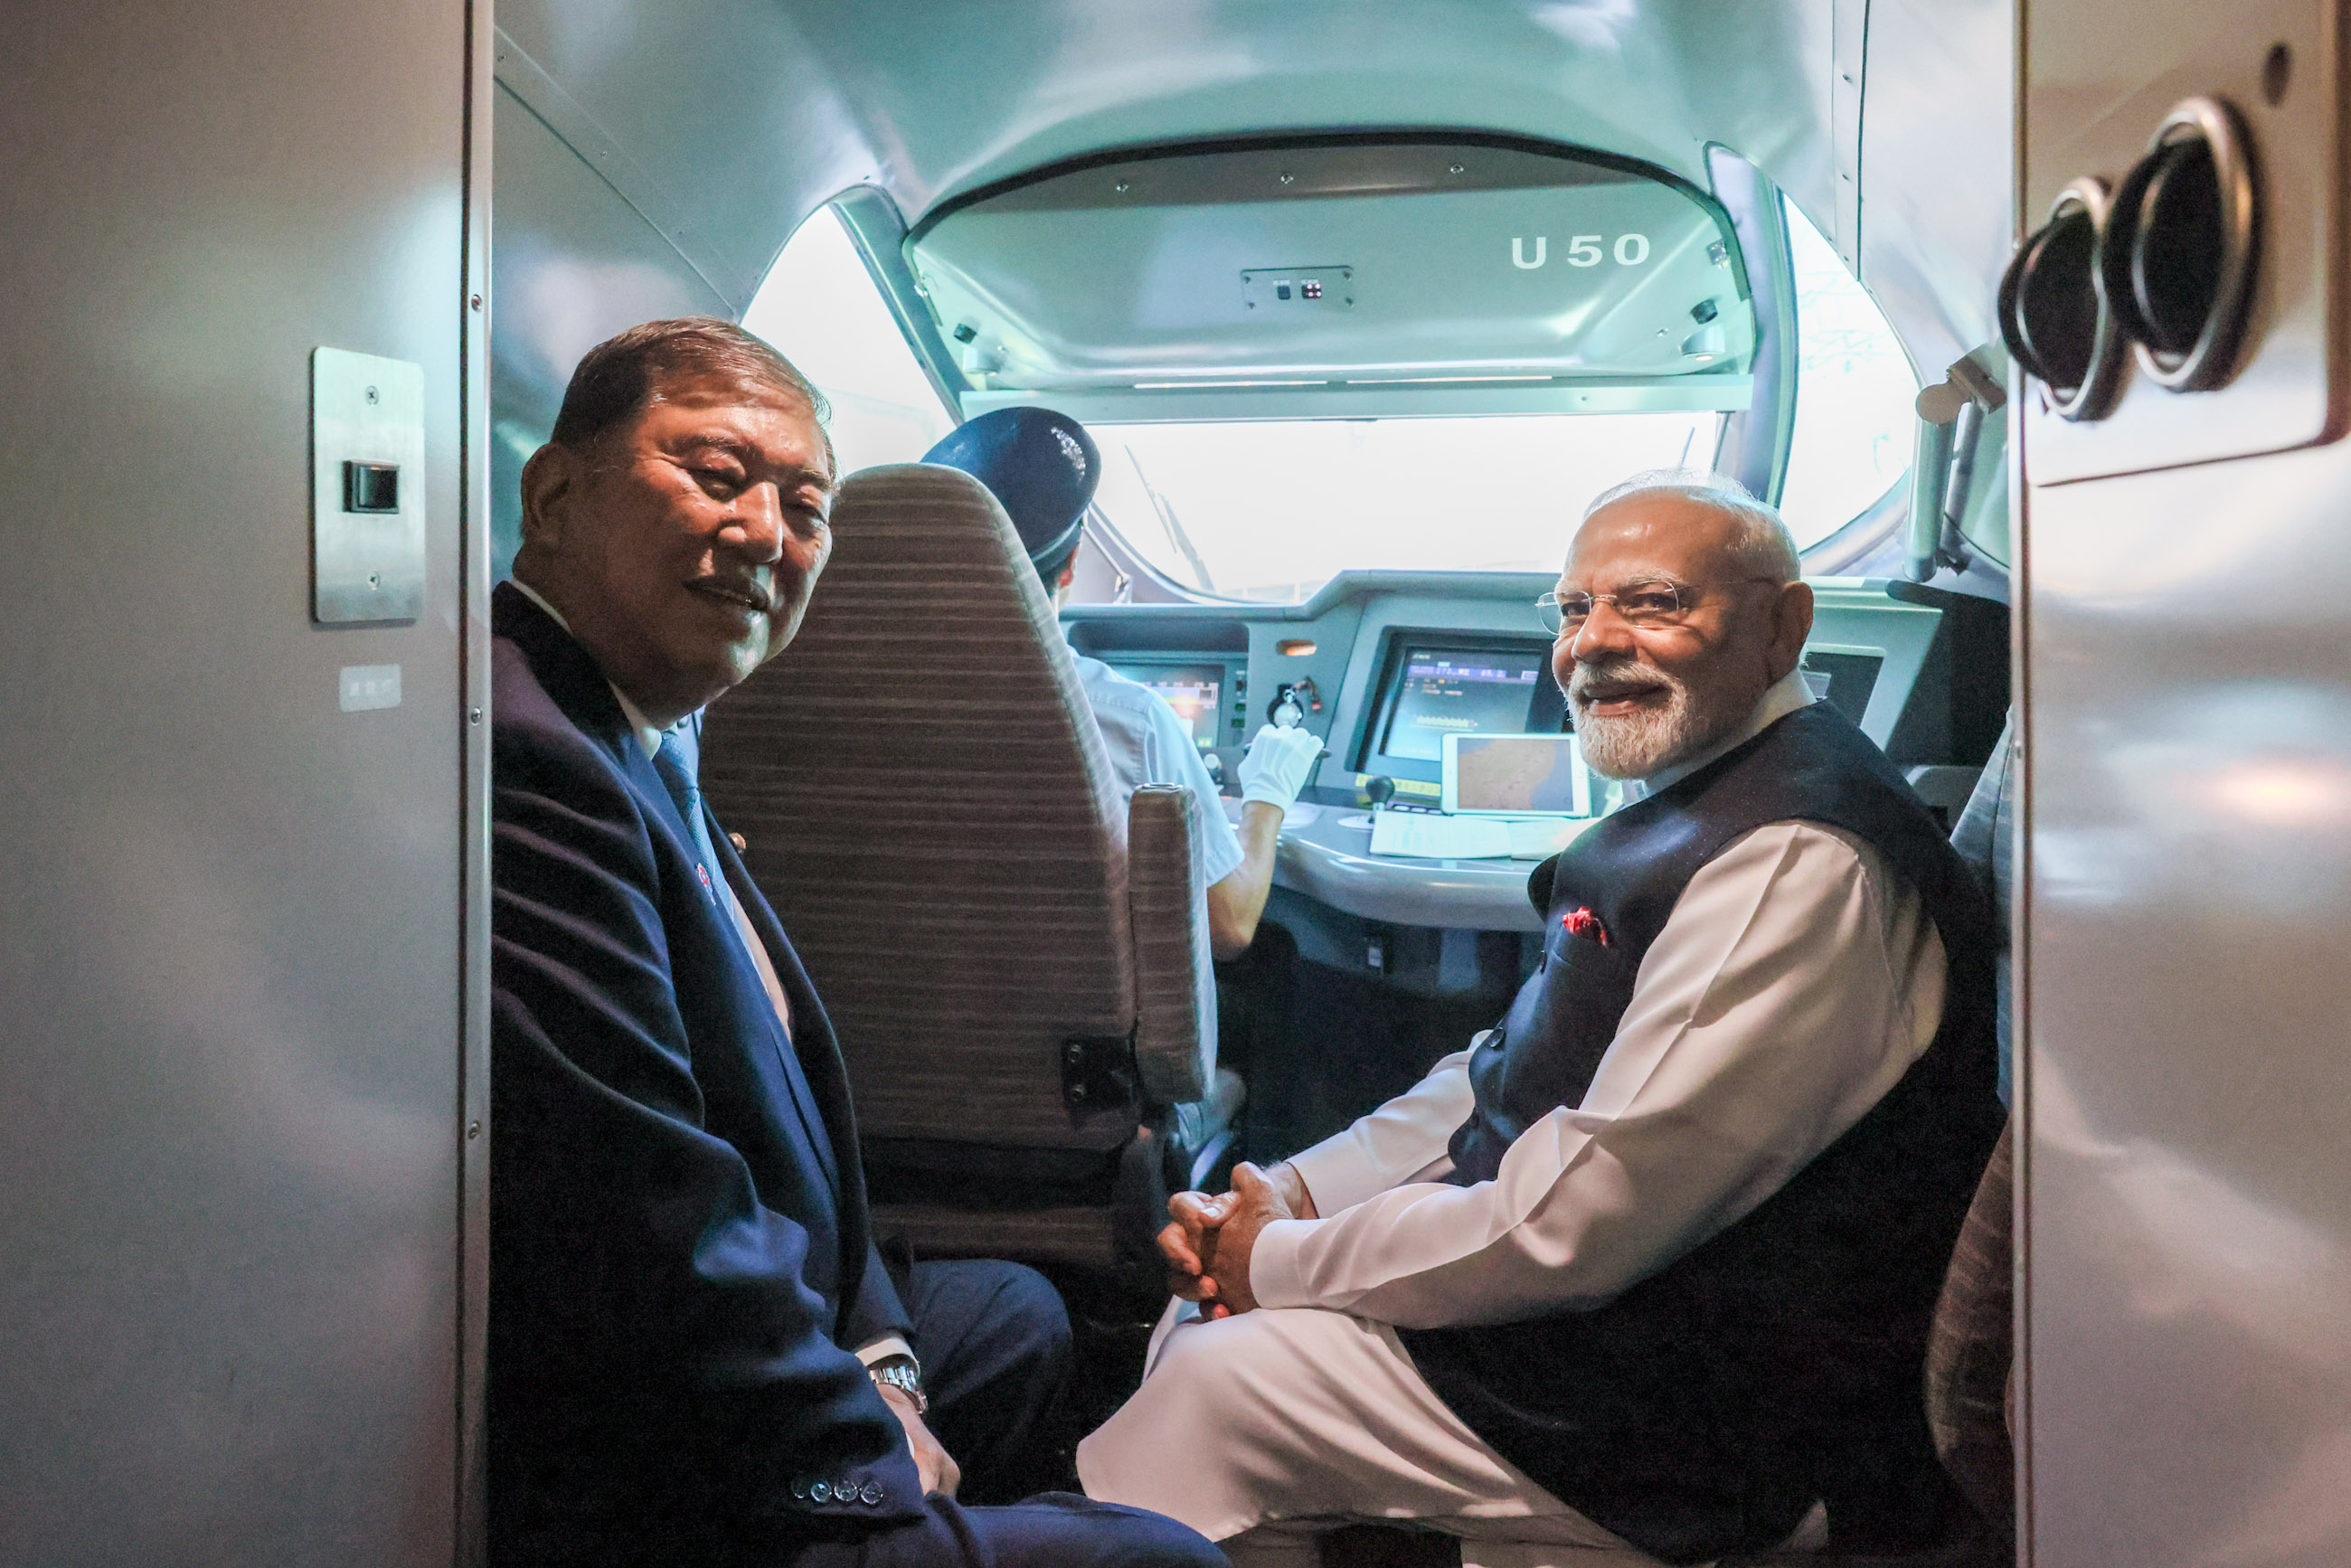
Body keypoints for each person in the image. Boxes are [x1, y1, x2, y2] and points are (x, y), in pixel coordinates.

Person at [1078, 473, 2005, 1568]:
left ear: (1782, 624)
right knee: (1210, 1326)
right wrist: (1290, 1192)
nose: (1593, 644)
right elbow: (1509, 1064)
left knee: (1211, 1377)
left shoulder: (1792, 861)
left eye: (1653, 603)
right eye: (1573, 611)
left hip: (1705, 1419)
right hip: (1632, 1325)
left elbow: (1578, 1221)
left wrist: (1271, 1262)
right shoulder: (1711, 794)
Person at [487, 316, 1224, 1568]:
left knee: (1016, 1312)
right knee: (1174, 1557)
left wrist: (882, 1351)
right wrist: (865, 1458)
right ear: (553, 491)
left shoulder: (645, 724)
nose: (768, 534)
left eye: (807, 507)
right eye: (717, 478)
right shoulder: (534, 755)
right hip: (673, 1436)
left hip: (804, 1273)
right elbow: (648, 1216)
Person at [922, 409, 1323, 961]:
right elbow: (1229, 926)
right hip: (1079, 1039)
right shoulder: (1129, 718)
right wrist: (1267, 798)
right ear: (1070, 566)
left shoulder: (837, 703)